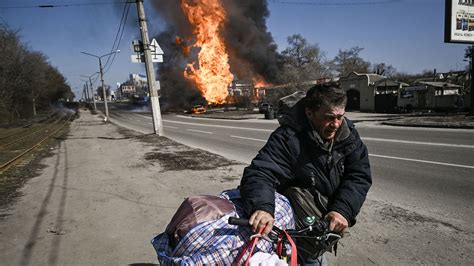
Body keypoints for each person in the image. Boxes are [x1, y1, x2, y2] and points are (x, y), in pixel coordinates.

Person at [239, 83, 372, 263]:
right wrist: (262, 208)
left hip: (326, 222)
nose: (336, 124)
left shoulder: (348, 135)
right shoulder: (288, 138)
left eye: (340, 117)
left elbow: (359, 176)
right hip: (298, 228)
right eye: (329, 117)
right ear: (309, 113)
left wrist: (342, 210)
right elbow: (261, 172)